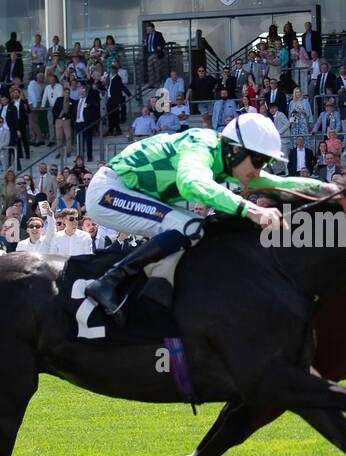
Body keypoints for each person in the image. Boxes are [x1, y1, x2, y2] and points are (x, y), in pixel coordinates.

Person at [81, 110, 328, 318]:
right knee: (189, 226)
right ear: (235, 150)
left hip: (129, 191)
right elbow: (192, 183)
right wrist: (249, 209)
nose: (260, 169)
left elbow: (276, 183)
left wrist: (326, 188)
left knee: (198, 227)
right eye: (258, 160)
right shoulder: (201, 144)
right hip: (109, 190)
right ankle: (108, 282)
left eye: (264, 162)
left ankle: (156, 292)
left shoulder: (227, 158)